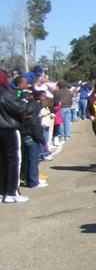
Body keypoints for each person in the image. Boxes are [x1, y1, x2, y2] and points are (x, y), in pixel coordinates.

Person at [1, 70, 42, 203]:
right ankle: (12, 192)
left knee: (2, 162)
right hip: (9, 130)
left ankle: (2, 191)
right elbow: (23, 108)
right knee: (14, 161)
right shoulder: (6, 94)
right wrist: (41, 104)